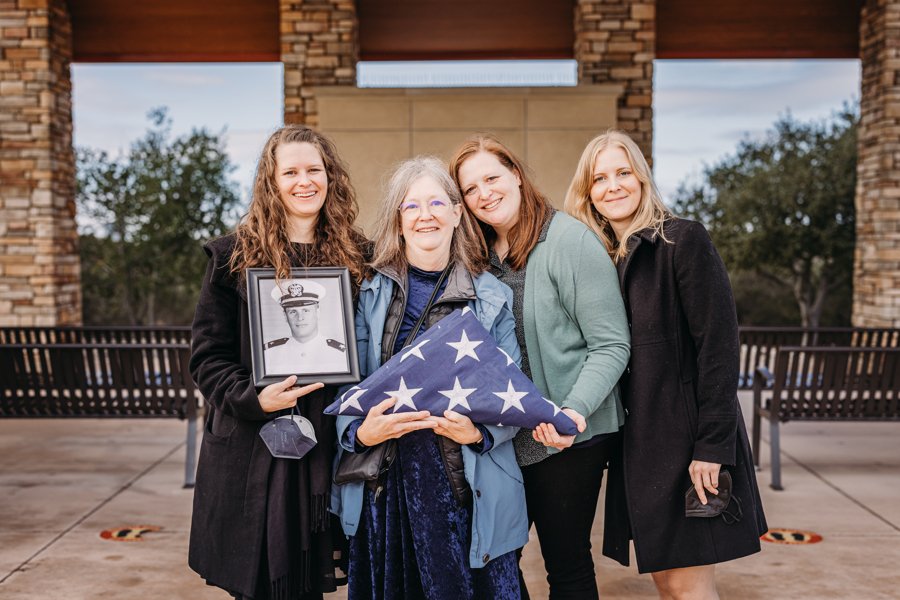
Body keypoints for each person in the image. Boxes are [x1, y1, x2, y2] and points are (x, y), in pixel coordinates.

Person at [564, 130, 767, 600]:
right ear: (588, 191)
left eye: (623, 173)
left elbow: (718, 345)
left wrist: (712, 447)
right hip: (639, 447)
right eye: (600, 178)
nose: (613, 186)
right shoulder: (602, 259)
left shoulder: (681, 240)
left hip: (688, 442)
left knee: (687, 585)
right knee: (668, 583)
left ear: (642, 177)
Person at [330, 156, 529, 600]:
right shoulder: (368, 292)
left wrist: (478, 432)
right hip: (388, 488)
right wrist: (360, 431)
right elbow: (346, 386)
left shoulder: (491, 297)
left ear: (458, 214)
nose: (426, 215)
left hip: (465, 488)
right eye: (411, 206)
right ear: (398, 221)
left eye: (437, 202)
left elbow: (514, 393)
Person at [188, 124, 368, 599]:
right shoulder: (232, 257)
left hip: (328, 441)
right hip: (254, 448)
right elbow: (208, 357)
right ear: (271, 181)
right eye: (290, 171)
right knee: (263, 585)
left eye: (315, 169)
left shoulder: (359, 257)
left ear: (331, 176)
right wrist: (254, 397)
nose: (304, 181)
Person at [450, 135, 631, 599]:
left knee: (565, 564)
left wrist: (573, 411)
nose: (484, 193)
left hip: (567, 434)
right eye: (471, 189)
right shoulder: (478, 255)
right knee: (493, 563)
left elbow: (611, 345)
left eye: (492, 178)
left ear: (516, 173)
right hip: (503, 436)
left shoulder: (570, 240)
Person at [265, 279, 347, 375]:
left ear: (317, 312)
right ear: (285, 316)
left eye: (306, 311)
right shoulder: (269, 353)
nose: (300, 318)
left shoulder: (340, 353)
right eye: (293, 312)